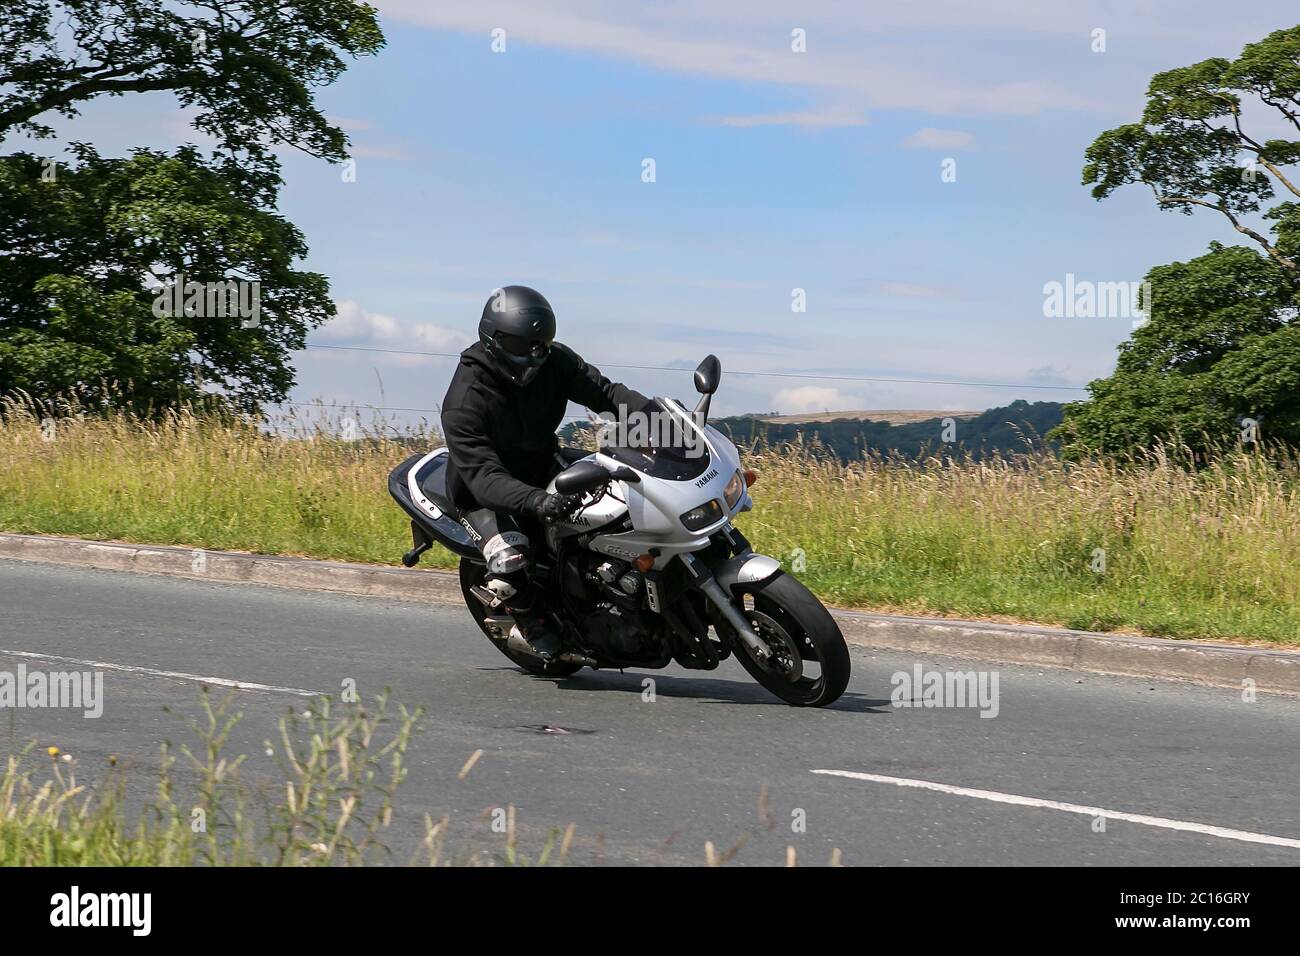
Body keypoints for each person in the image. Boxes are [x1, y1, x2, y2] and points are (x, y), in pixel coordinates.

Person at [441, 286, 649, 662]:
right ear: (497, 340)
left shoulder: (553, 361)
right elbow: (484, 475)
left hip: (542, 462)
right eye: (526, 346)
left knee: (624, 496)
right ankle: (531, 619)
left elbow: (605, 392)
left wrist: (657, 415)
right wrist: (536, 500)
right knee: (510, 560)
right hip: (483, 493)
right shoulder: (464, 401)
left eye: (541, 345)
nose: (536, 355)